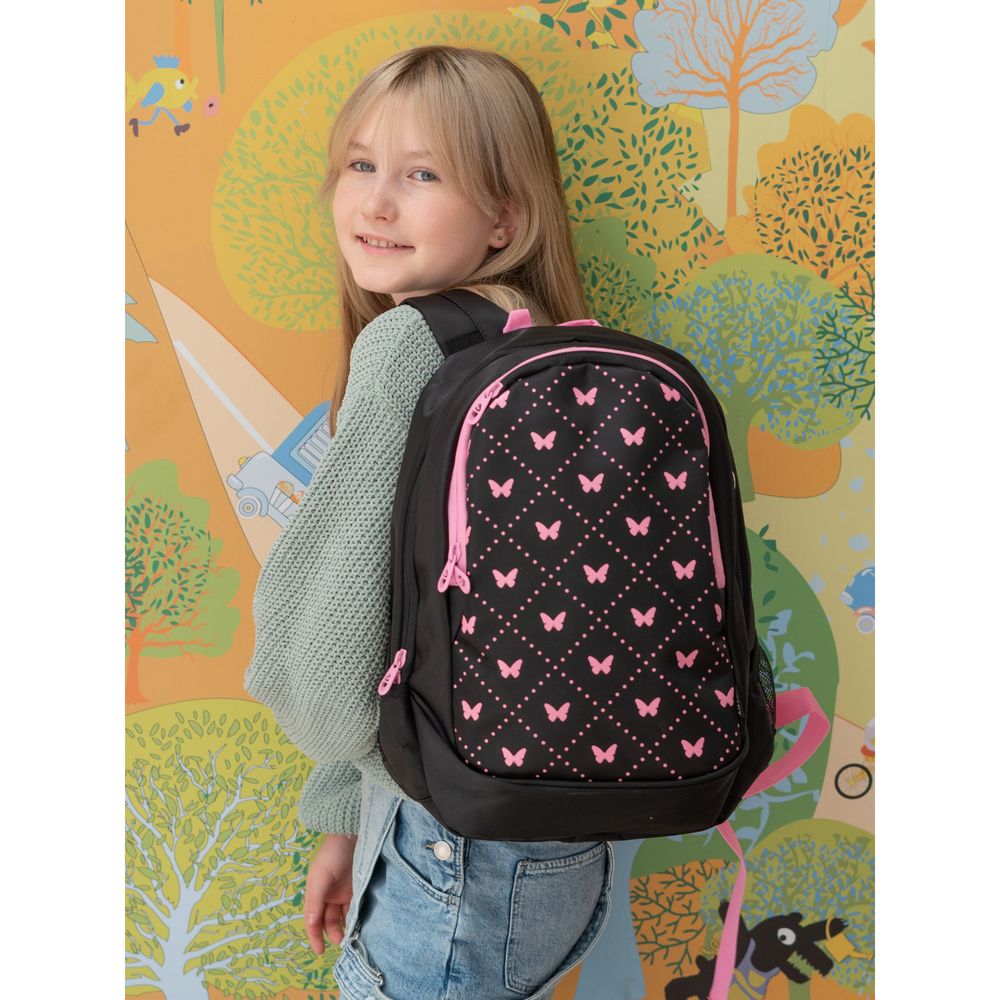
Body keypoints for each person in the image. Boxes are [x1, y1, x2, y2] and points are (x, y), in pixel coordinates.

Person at [245, 45, 614, 1000]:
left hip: (446, 851)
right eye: (360, 165)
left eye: (422, 176)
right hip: (559, 841)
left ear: (505, 217)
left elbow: (338, 633)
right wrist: (347, 816)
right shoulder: (541, 338)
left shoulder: (407, 345)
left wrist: (334, 755)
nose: (374, 203)